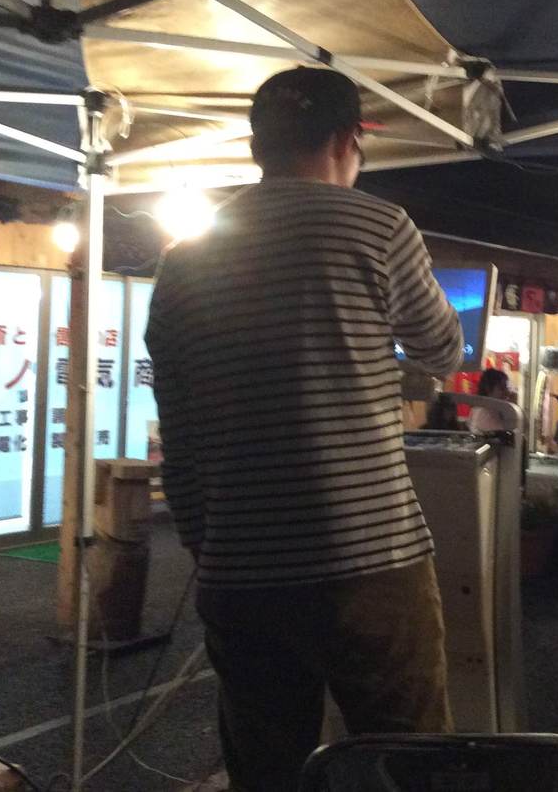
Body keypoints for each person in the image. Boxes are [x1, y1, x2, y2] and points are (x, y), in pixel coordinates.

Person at [145, 67, 464, 792]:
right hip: (371, 561)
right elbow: (443, 348)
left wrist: (208, 541)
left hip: (241, 570)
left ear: (258, 145)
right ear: (348, 140)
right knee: (412, 760)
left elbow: (178, 426)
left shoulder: (185, 260)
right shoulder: (379, 226)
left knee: (267, 769)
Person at [468, 367, 511, 434]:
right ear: (488, 389)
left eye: (506, 388)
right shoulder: (484, 413)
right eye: (502, 388)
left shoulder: (487, 409)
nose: (507, 392)